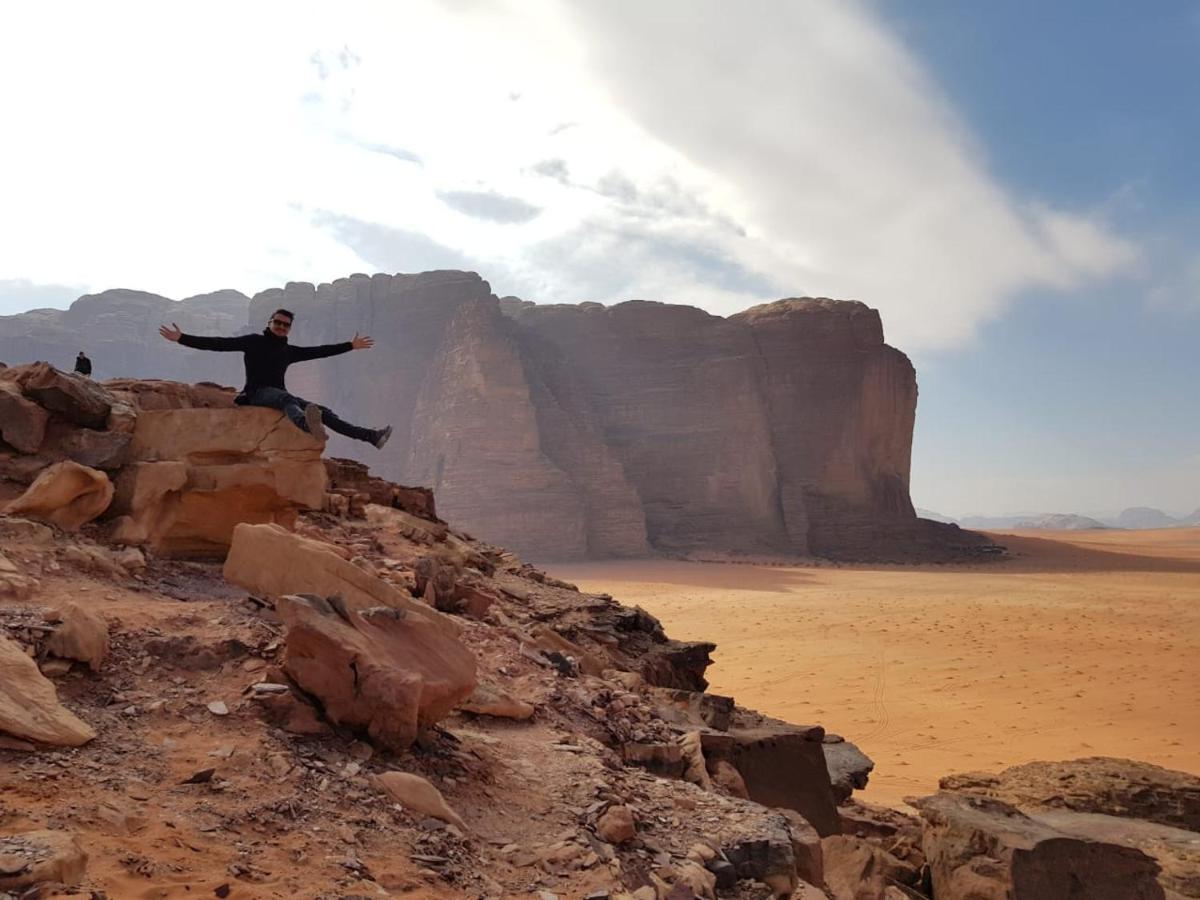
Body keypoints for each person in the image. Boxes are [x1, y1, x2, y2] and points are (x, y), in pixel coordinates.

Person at [158, 308, 392, 448]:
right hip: (255, 394)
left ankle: (371, 437)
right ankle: (306, 426)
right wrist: (181, 338)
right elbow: (218, 344)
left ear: (289, 329)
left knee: (324, 411)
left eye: (285, 325)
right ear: (269, 323)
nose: (281, 326)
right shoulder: (253, 341)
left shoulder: (289, 351)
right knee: (285, 399)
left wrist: (350, 345)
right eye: (277, 322)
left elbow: (320, 350)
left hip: (278, 396)